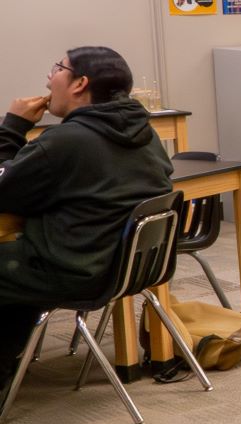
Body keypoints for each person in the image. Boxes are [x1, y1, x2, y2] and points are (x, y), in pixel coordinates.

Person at [0, 47, 171, 400]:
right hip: (116, 267)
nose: (49, 78)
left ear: (80, 83)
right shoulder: (145, 133)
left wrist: (13, 126)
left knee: (12, 268)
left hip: (69, 268)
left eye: (57, 68)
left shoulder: (66, 141)